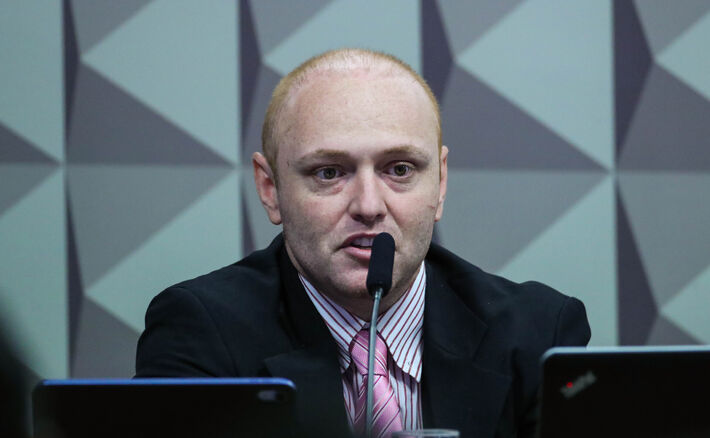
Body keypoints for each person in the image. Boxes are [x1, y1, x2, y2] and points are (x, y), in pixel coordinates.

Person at [136, 48, 590, 438]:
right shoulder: (201, 333)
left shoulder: (537, 334)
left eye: (400, 170)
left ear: (441, 182)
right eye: (329, 173)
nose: (369, 206)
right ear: (270, 188)